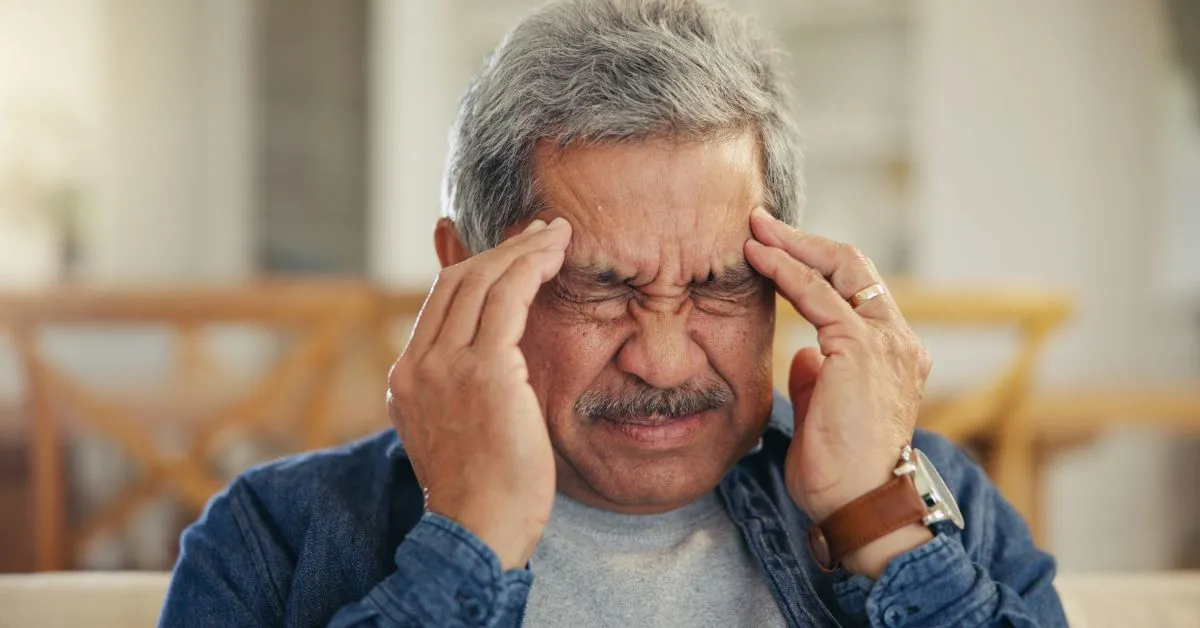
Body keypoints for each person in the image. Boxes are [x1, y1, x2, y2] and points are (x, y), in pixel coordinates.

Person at [159, 1, 1068, 626]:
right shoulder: (274, 537)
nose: (666, 364)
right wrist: (468, 543)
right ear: (463, 271)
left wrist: (877, 526)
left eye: (720, 286)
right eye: (599, 288)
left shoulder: (921, 498)